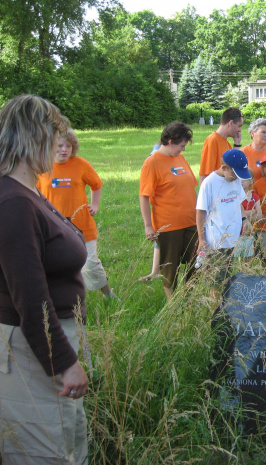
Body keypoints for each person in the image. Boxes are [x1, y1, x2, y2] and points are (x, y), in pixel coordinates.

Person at [0, 94, 88, 463]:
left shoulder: (30, 190)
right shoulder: (14, 202)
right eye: (55, 135)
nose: (59, 144)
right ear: (35, 136)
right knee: (45, 450)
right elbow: (30, 294)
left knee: (68, 437)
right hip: (30, 348)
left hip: (47, 341)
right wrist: (64, 362)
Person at [37, 127, 118, 300]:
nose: (64, 150)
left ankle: (108, 295)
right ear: (49, 146)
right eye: (59, 146)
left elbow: (96, 184)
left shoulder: (81, 164)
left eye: (68, 146)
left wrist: (94, 204)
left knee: (90, 264)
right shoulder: (42, 166)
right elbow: (34, 194)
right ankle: (63, 300)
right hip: (52, 227)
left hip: (82, 225)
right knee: (57, 265)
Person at [139, 122, 198, 299]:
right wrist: (148, 226)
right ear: (171, 142)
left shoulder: (179, 158)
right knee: (170, 268)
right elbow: (144, 196)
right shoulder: (152, 162)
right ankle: (172, 305)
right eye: (181, 146)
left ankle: (190, 301)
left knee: (194, 264)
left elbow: (190, 186)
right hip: (169, 225)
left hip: (191, 221)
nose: (183, 150)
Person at [196, 149, 252, 286]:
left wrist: (244, 219)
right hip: (217, 240)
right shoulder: (209, 183)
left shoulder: (235, 179)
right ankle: (216, 304)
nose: (237, 178)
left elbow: (238, 202)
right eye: (235, 174)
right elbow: (200, 212)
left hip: (232, 238)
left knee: (226, 274)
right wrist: (201, 239)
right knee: (218, 279)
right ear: (224, 168)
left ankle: (221, 301)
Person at [199, 107, 244, 184]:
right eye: (239, 126)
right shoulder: (212, 140)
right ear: (230, 123)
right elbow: (206, 174)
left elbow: (233, 167)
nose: (240, 130)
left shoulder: (226, 143)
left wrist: (236, 144)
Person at [139, 141, 163, 282]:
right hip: (159, 204)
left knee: (157, 239)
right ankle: (154, 271)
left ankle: (155, 271)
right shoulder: (155, 157)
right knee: (157, 238)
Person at [235, 172, 263, 260]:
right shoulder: (234, 197)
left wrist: (244, 213)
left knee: (248, 259)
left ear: (251, 180)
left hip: (248, 234)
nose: (241, 181)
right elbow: (235, 214)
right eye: (238, 179)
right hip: (235, 234)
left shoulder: (254, 197)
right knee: (236, 259)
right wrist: (253, 211)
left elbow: (259, 217)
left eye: (243, 179)